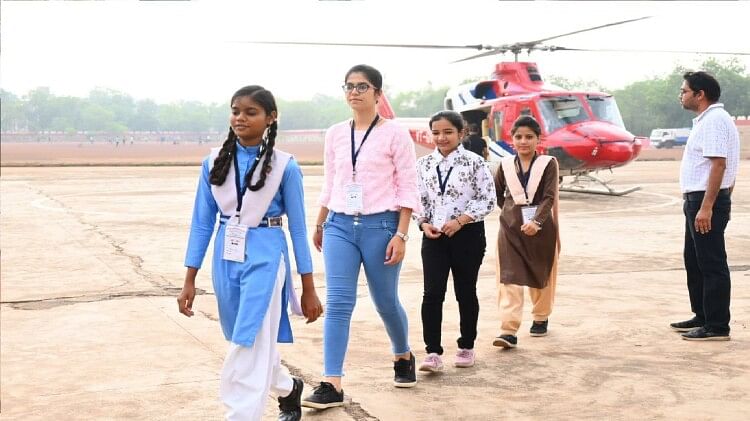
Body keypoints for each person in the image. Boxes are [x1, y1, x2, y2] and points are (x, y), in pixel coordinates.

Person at [176, 85, 323, 421]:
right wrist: (189, 280)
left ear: (270, 118)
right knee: (247, 337)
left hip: (268, 255)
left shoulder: (285, 166)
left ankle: (240, 415)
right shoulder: (212, 162)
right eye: (235, 111)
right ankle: (288, 388)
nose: (240, 118)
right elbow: (201, 223)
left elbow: (299, 230)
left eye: (250, 112)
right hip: (226, 254)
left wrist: (308, 286)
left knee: (248, 340)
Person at [301, 64, 421, 409]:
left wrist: (401, 233)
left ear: (378, 94)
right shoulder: (335, 133)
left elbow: (407, 186)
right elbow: (332, 180)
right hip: (339, 224)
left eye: (362, 86)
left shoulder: (394, 134)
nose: (354, 92)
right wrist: (321, 221)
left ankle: (402, 355)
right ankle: (331, 383)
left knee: (385, 300)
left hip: (381, 226)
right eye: (349, 86)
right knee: (339, 302)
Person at [414, 111, 496, 372]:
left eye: (448, 132)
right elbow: (418, 200)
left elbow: (487, 199)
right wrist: (423, 223)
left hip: (468, 235)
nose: (441, 137)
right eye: (436, 132)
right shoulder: (423, 165)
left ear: (462, 133)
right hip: (434, 237)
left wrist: (461, 220)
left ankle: (466, 346)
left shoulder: (475, 163)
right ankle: (432, 352)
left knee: (465, 291)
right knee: (432, 293)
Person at [670, 71, 740, 341]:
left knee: (711, 263)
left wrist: (709, 206)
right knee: (695, 260)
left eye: (684, 91)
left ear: (700, 94)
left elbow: (719, 164)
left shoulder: (714, 121)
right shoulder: (707, 120)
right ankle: (703, 314)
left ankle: (717, 325)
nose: (681, 95)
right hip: (699, 200)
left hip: (704, 200)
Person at [492, 115, 560, 349]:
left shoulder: (548, 163)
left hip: (540, 229)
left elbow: (549, 196)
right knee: (509, 278)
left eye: (529, 137)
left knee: (540, 274)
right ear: (511, 139)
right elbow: (498, 193)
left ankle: (541, 316)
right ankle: (508, 329)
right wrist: (511, 214)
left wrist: (537, 221)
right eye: (519, 137)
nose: (524, 141)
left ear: (538, 139)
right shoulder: (505, 165)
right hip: (510, 231)